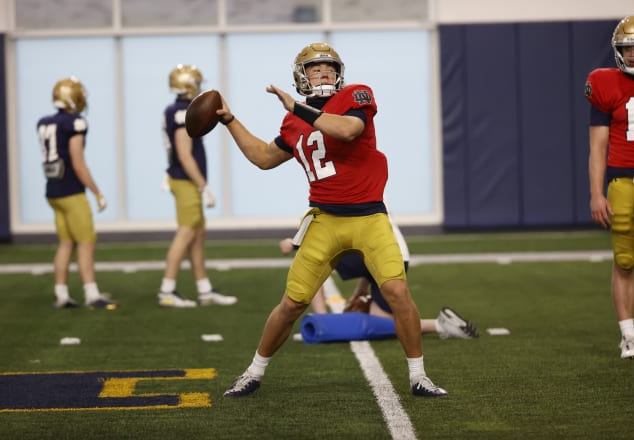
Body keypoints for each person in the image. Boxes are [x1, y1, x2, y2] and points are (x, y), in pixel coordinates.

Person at [219, 42, 447, 398]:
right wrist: (229, 121)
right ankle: (253, 372)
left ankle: (419, 376)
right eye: (315, 69)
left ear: (339, 75)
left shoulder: (356, 95)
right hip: (325, 219)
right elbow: (263, 157)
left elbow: (348, 131)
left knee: (397, 292)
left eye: (329, 68)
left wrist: (298, 108)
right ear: (302, 77)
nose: (324, 73)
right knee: (292, 303)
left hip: (369, 217)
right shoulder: (293, 120)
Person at [585, 15, 634, 360]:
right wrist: (596, 192)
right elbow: (597, 146)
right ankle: (628, 336)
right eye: (628, 48)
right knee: (624, 260)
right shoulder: (603, 83)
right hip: (623, 177)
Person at [280, 227, 479, 340]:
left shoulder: (340, 187)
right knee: (382, 321)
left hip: (380, 254)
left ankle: (322, 322)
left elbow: (330, 228)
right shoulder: (367, 185)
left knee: (312, 258)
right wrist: (361, 288)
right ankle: (440, 324)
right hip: (397, 256)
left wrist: (294, 242)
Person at [157, 64, 237, 308]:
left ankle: (204, 290)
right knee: (186, 232)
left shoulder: (175, 109)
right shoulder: (181, 112)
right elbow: (184, 154)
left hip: (182, 178)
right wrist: (203, 186)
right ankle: (167, 290)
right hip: (186, 180)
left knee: (197, 234)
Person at [37, 76, 117, 310]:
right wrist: (97, 192)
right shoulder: (75, 123)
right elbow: (78, 163)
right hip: (71, 191)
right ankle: (92, 294)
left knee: (66, 243)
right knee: (86, 242)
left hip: (53, 191)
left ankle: (61, 294)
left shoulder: (44, 122)